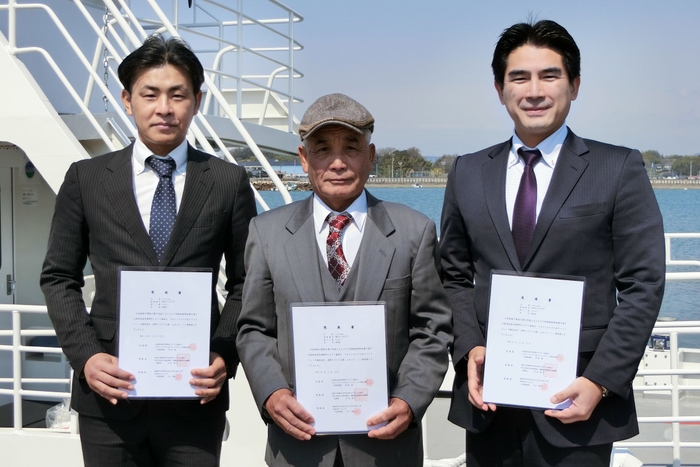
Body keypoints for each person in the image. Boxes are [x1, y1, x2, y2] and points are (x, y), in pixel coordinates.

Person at [440, 20, 665, 467]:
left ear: (575, 85)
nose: (534, 90)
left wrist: (600, 381)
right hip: (491, 405)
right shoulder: (467, 172)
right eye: (518, 77)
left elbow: (642, 284)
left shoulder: (617, 168)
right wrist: (469, 349)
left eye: (550, 75)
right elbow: (452, 274)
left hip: (579, 404)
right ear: (500, 88)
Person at [40, 35, 256, 466]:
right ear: (127, 98)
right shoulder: (86, 178)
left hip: (195, 396)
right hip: (109, 395)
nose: (164, 107)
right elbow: (58, 276)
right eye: (150, 94)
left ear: (197, 100)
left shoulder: (228, 181)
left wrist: (224, 353)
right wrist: (86, 357)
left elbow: (246, 280)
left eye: (178, 95)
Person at [236, 93, 452, 467]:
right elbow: (254, 328)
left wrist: (409, 400)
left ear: (369, 157)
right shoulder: (266, 232)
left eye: (351, 148)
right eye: (322, 149)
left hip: (386, 447)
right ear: (304, 159)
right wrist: (271, 392)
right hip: (297, 445)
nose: (337, 163)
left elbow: (432, 330)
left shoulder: (414, 232)